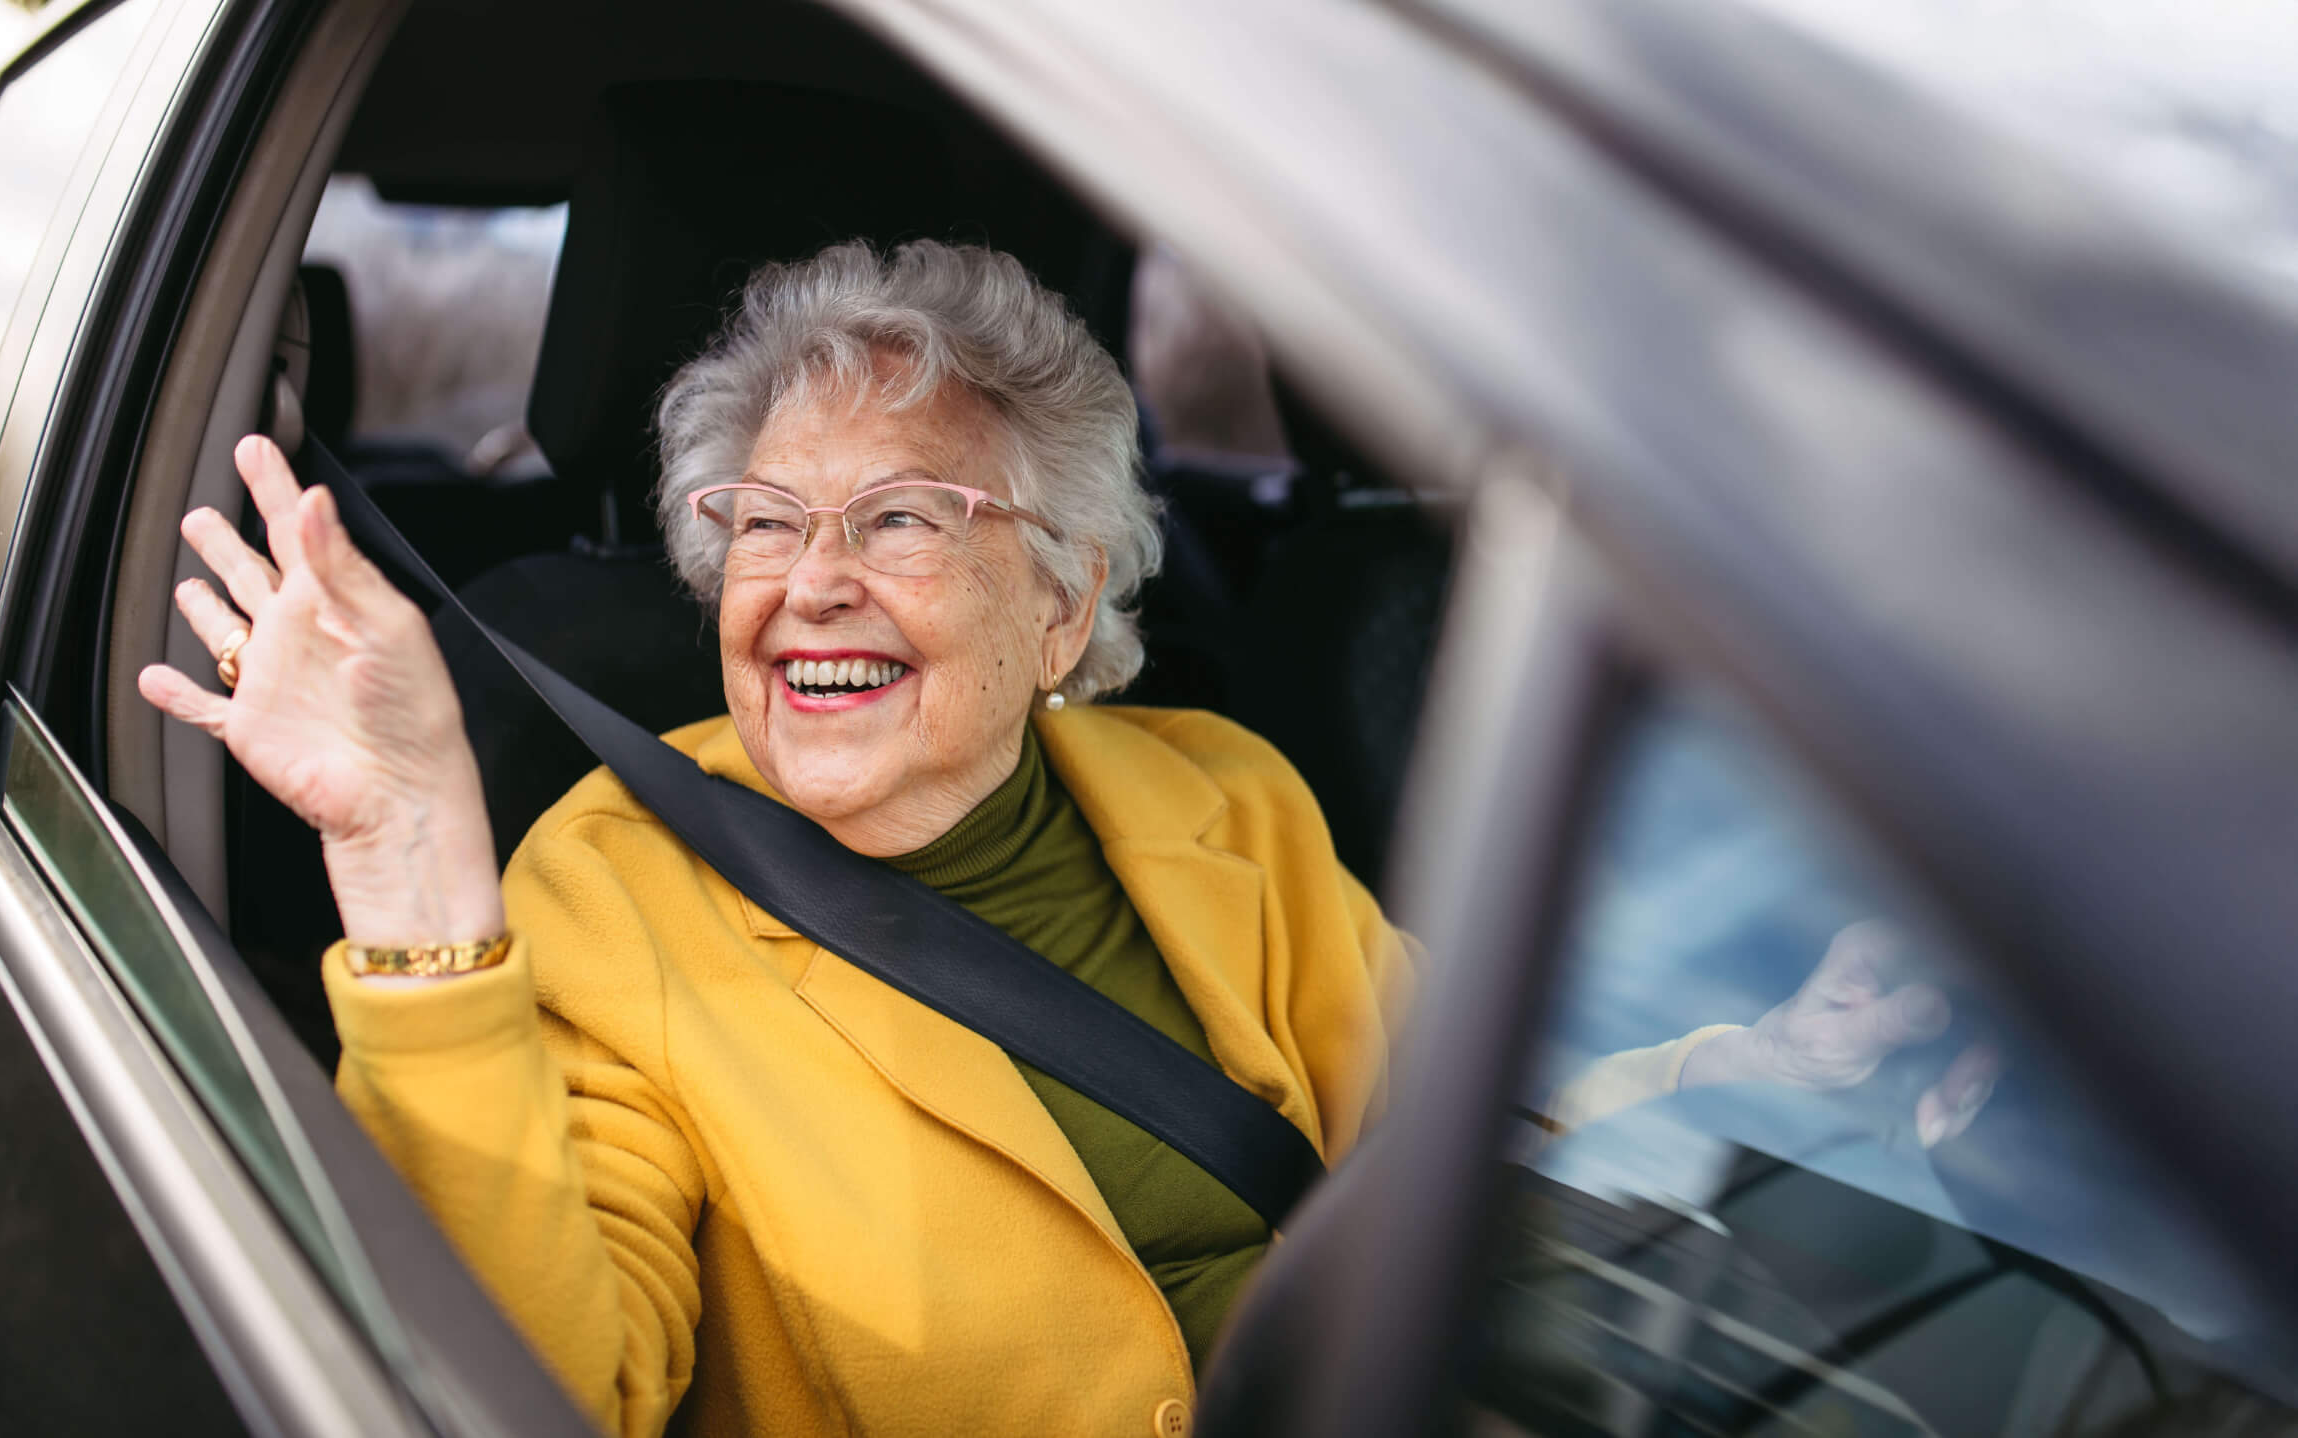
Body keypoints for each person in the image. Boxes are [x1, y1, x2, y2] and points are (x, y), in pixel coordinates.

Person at [138, 240, 1992, 1437]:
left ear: (1060, 606)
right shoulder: (611, 887)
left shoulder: (1226, 797)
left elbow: (1465, 1153)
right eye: (765, 523)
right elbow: (546, 1386)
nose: (808, 586)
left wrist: (1758, 1064)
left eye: (901, 521)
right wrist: (408, 861)